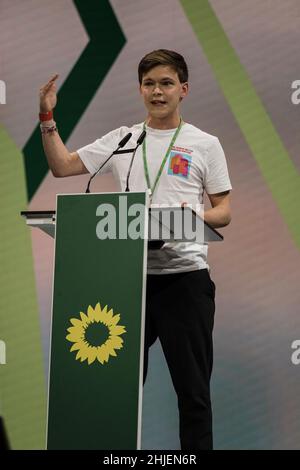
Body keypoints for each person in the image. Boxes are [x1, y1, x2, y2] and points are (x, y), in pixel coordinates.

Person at [39, 49, 232, 450]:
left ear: (183, 89)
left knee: (193, 395)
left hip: (185, 281)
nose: (157, 92)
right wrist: (47, 119)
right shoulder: (123, 139)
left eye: (165, 83)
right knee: (115, 393)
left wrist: (191, 214)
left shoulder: (205, 144)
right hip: (126, 282)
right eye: (149, 84)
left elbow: (224, 211)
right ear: (140, 90)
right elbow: (62, 167)